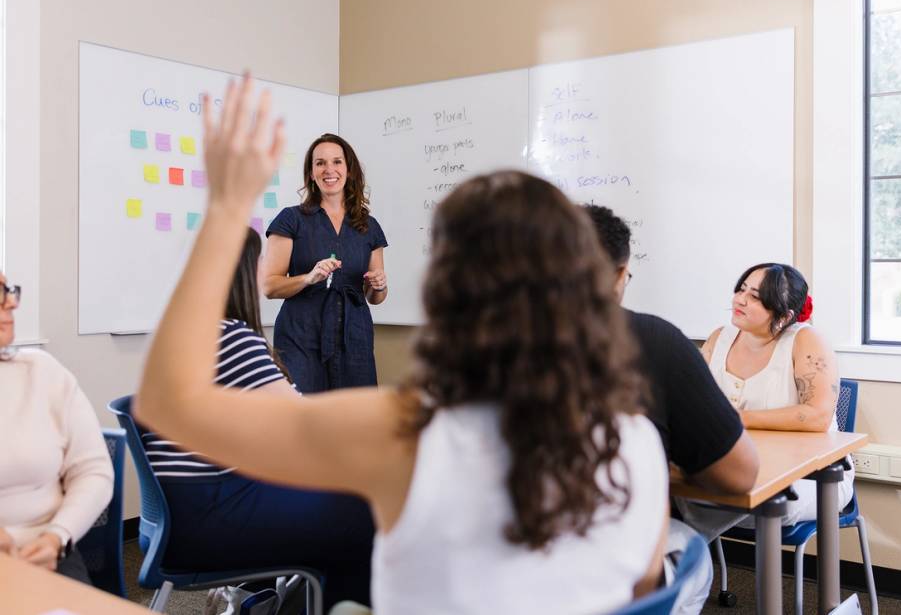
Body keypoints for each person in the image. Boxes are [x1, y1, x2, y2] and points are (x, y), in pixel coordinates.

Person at [135, 75, 668, 615]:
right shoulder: (641, 443)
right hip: (307, 339)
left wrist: (227, 206)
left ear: (441, 291)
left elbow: (165, 404)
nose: (329, 170)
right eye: (320, 163)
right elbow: (644, 595)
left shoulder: (399, 436)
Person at [139, 228, 375, 607]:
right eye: (259, 261)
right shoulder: (230, 337)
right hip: (207, 522)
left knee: (330, 504)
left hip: (177, 518)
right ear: (243, 273)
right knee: (361, 510)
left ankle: (263, 598)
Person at [584, 204, 758, 615]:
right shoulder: (655, 341)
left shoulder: (472, 347)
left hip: (485, 569)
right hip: (599, 569)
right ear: (618, 275)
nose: (745, 300)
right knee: (689, 548)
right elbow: (738, 474)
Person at [685, 262, 853, 536]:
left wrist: (735, 419)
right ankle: (675, 561)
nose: (740, 299)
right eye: (742, 290)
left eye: (755, 297)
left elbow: (818, 416)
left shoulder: (806, 341)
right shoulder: (719, 338)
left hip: (811, 478)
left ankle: (679, 559)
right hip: (739, 464)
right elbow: (694, 402)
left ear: (784, 316)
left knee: (737, 498)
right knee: (670, 488)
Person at [0, 272, 113, 583]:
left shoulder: (43, 372)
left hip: (48, 557)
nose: (10, 303)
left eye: (8, 291)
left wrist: (56, 538)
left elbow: (94, 471)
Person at [261, 133, 388, 392]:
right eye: (320, 163)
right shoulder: (291, 219)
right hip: (301, 338)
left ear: (349, 170)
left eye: (337, 162)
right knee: (301, 420)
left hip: (354, 338)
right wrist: (309, 278)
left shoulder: (368, 225)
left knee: (354, 420)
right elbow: (270, 286)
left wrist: (379, 285)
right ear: (311, 173)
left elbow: (374, 297)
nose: (329, 170)